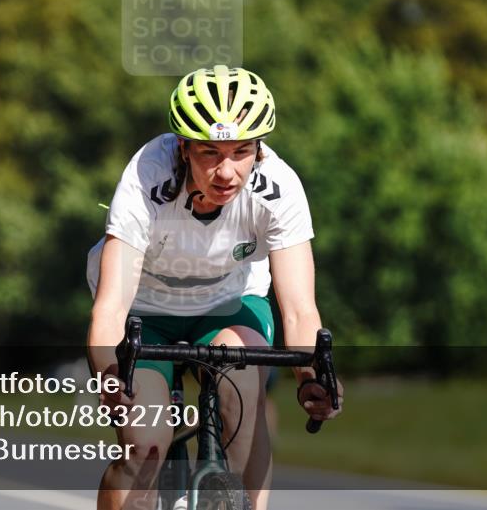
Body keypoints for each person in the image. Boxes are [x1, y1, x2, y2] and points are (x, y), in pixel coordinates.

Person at [86, 65, 342, 510]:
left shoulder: (278, 189)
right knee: (145, 447)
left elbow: (300, 311)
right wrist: (112, 375)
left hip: (228, 303)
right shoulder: (147, 178)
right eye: (209, 152)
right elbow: (110, 308)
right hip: (145, 308)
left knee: (241, 390)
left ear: (258, 149)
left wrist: (310, 380)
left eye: (242, 151)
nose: (226, 171)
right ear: (183, 148)